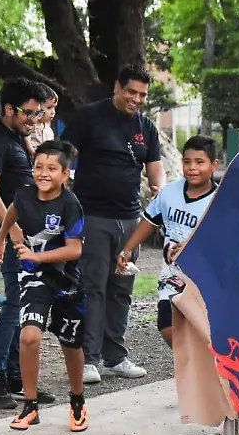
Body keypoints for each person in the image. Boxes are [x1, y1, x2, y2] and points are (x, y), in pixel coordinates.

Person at [61, 65, 164, 384]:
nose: (137, 99)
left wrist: (159, 191)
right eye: (131, 92)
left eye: (142, 95)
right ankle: (88, 358)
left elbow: (155, 166)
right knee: (92, 287)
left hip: (131, 220)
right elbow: (63, 155)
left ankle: (116, 357)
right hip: (93, 217)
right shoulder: (90, 116)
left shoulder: (146, 127)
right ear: (117, 87)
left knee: (122, 288)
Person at [0, 141, 89, 432]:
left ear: (65, 174)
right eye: (38, 167)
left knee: (71, 344)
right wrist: (2, 238)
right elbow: (13, 210)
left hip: (66, 280)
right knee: (29, 336)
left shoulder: (70, 204)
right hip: (33, 277)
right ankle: (30, 406)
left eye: (51, 168)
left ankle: (77, 400)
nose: (43, 173)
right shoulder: (24, 194)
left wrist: (37, 255)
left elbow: (74, 249)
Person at [0, 79, 53, 410]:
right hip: (13, 240)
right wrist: (12, 230)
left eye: (38, 113)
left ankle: (14, 376)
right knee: (14, 305)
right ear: (9, 109)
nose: (34, 119)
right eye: (29, 113)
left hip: (32, 239)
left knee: (24, 306)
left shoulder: (17, 135)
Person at [117, 135, 221, 348]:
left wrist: (194, 247)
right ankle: (188, 361)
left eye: (200, 162)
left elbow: (226, 241)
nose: (192, 168)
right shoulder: (170, 193)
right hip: (172, 274)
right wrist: (128, 248)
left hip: (205, 277)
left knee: (203, 331)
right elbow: (149, 220)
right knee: (167, 326)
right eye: (187, 162)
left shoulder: (219, 201)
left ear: (214, 165)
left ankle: (204, 363)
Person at [28, 84, 58, 153]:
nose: (53, 112)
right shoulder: (29, 126)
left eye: (54, 108)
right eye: (49, 107)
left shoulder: (49, 130)